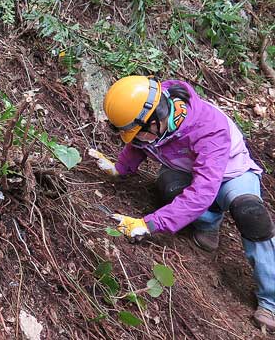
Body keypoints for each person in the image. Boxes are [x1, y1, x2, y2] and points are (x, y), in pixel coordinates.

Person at [99, 75, 275, 331]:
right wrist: (120, 168)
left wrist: (150, 224)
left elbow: (202, 192)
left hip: (231, 174)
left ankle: (270, 301)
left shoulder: (209, 127)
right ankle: (208, 224)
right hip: (186, 171)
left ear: (156, 121)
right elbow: (139, 144)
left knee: (252, 216)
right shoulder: (153, 111)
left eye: (138, 133)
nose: (135, 139)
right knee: (170, 187)